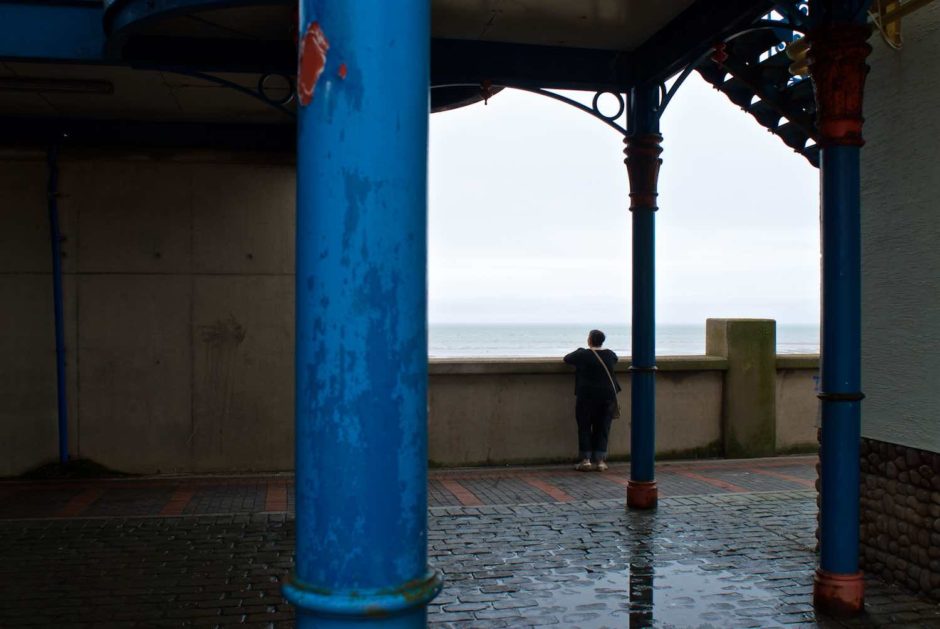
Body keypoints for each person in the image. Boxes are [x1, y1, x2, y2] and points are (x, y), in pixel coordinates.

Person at [563, 329, 621, 472]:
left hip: (586, 396)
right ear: (602, 341)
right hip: (607, 396)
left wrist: (580, 349)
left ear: (589, 340)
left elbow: (567, 358)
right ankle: (600, 461)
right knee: (603, 427)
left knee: (584, 426)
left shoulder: (583, 355)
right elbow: (616, 359)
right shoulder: (609, 354)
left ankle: (586, 460)